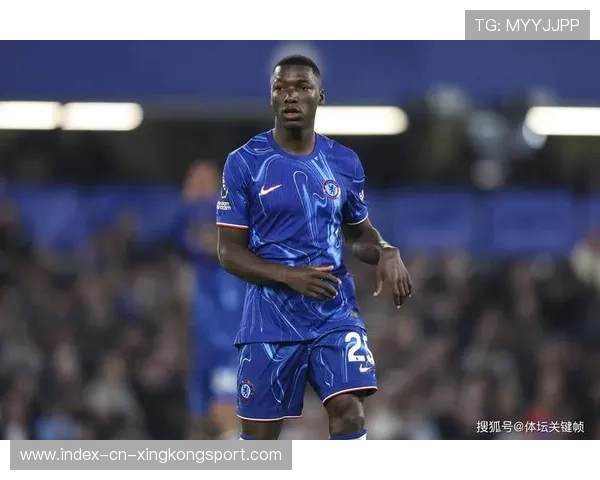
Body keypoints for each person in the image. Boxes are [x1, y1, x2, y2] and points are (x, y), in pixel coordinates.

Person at [215, 55, 412, 441]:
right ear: (271, 97)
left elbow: (359, 235)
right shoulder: (244, 163)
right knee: (258, 441)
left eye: (302, 87)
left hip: (333, 314)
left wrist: (386, 250)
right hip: (269, 321)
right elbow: (229, 252)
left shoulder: (344, 162)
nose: (291, 95)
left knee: (350, 411)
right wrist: (289, 276)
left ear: (320, 95)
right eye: (281, 87)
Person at [178, 162, 247, 440]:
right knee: (200, 417)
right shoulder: (194, 247)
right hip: (203, 344)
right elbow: (182, 237)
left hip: (230, 343)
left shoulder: (240, 236)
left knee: (225, 412)